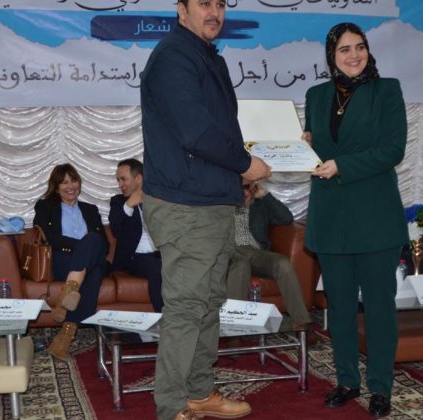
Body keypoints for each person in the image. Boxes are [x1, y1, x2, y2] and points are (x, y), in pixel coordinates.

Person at [140, 1, 272, 419]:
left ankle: (198, 393)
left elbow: (219, 131)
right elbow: (195, 132)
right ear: (181, 9)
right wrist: (246, 164)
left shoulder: (206, 56)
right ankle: (171, 407)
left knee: (209, 301)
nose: (214, 11)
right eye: (203, 3)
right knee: (186, 307)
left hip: (210, 202)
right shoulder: (173, 57)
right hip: (184, 206)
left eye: (219, 3)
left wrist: (240, 176)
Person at [302, 22, 408, 418]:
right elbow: (315, 146)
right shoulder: (316, 95)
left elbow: (393, 149)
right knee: (340, 308)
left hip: (375, 219)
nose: (353, 55)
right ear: (332, 55)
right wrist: (303, 145)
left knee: (378, 309)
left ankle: (381, 387)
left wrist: (341, 165)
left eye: (359, 47)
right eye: (344, 49)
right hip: (331, 219)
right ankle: (347, 381)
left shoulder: (387, 90)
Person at [33, 163, 109, 362]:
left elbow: (104, 244)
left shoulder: (90, 209)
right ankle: (67, 331)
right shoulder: (45, 206)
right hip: (63, 261)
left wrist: (89, 245)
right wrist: (84, 245)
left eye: (74, 180)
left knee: (94, 246)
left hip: (90, 261)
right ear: (56, 186)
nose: (71, 186)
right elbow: (50, 238)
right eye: (64, 182)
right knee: (94, 270)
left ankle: (66, 303)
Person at [225, 182, 318, 340]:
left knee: (282, 263)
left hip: (255, 252)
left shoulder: (260, 204)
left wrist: (265, 196)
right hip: (229, 252)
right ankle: (234, 332)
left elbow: (286, 218)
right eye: (241, 189)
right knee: (240, 264)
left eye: (247, 189)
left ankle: (302, 322)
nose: (244, 193)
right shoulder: (221, 204)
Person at [108, 158, 163, 312]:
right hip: (135, 258)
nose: (120, 184)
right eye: (118, 180)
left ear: (138, 178)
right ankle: (164, 318)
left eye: (123, 179)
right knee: (156, 268)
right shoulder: (118, 202)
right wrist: (129, 205)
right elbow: (116, 231)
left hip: (163, 254)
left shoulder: (158, 199)